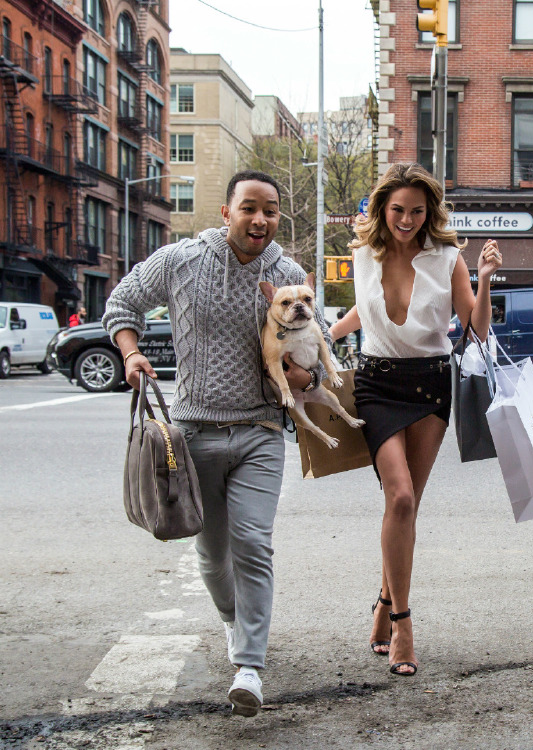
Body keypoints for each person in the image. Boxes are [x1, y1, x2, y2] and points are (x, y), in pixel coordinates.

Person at [102, 169, 331, 717]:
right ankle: (233, 619)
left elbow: (313, 350)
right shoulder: (182, 259)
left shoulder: (289, 274)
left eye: (271, 210)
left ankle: (250, 666)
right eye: (249, 208)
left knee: (253, 543)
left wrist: (308, 380)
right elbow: (122, 303)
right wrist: (132, 354)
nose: (260, 219)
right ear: (227, 211)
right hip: (194, 433)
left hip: (261, 429)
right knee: (210, 554)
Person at [328, 162, 502, 677]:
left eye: (417, 211)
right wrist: (323, 343)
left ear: (430, 213)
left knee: (407, 507)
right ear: (383, 209)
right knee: (398, 496)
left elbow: (474, 326)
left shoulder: (447, 257)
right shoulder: (363, 253)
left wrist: (485, 279)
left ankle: (383, 602)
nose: (406, 219)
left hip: (430, 384)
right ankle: (403, 620)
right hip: (376, 383)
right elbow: (363, 310)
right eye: (398, 209)